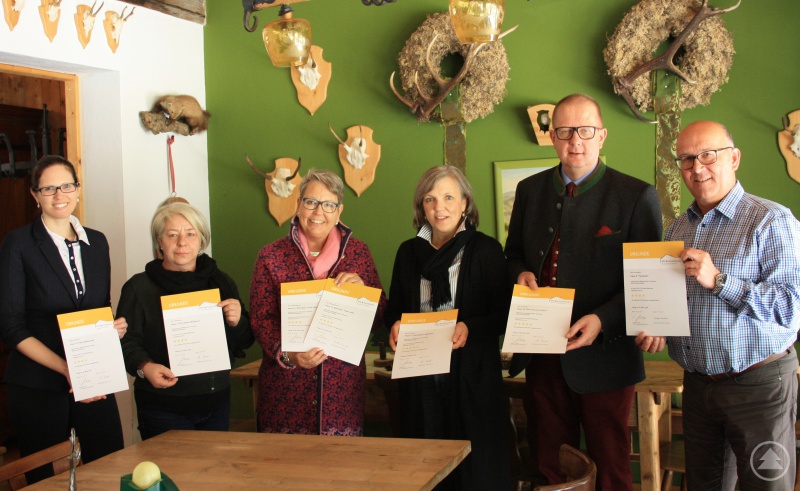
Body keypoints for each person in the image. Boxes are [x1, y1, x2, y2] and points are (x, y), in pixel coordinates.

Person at [504, 93, 662, 491]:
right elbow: (513, 255)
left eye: (585, 130)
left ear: (602, 135)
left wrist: (603, 319)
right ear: (552, 137)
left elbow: (649, 285)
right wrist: (520, 272)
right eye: (565, 130)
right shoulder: (529, 191)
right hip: (541, 354)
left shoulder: (636, 196)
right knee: (549, 465)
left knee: (611, 470)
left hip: (607, 359)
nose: (576, 140)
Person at [636, 121, 800, 490]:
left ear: (735, 158)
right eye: (687, 159)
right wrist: (661, 325)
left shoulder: (771, 221)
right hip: (697, 385)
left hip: (759, 386)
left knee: (766, 485)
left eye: (708, 155)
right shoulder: (677, 229)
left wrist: (721, 281)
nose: (697, 167)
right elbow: (677, 301)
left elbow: (792, 308)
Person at [0, 155, 126, 483]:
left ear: (78, 189)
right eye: (48, 188)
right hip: (38, 384)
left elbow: (102, 306)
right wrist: (66, 369)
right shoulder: (19, 244)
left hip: (94, 378)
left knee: (110, 466)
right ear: (34, 195)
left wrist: (113, 327)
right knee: (45, 480)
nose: (59, 195)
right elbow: (11, 326)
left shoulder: (96, 242)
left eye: (66, 185)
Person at [386, 165, 512, 491]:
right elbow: (395, 311)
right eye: (430, 199)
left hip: (472, 376)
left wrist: (471, 326)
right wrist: (396, 324)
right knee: (425, 466)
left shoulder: (485, 250)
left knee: (475, 469)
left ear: (465, 203)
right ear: (421, 207)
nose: (439, 207)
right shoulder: (407, 253)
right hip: (421, 376)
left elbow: (503, 314)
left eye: (448, 197)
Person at [250, 168, 386, 436]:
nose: (318, 212)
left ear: (339, 211)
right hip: (286, 391)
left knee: (340, 471)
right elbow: (260, 318)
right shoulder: (270, 256)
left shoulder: (358, 254)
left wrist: (363, 294)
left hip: (342, 392)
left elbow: (380, 314)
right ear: (298, 205)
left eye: (328, 205)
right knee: (282, 472)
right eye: (311, 202)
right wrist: (288, 354)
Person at [118, 200, 253, 440]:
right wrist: (145, 366)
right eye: (172, 234)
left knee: (211, 474)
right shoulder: (138, 288)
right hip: (163, 408)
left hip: (216, 404)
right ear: (160, 241)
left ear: (201, 239)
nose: (182, 242)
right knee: (170, 476)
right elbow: (125, 342)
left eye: (190, 234)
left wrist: (238, 322)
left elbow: (244, 341)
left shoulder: (221, 282)